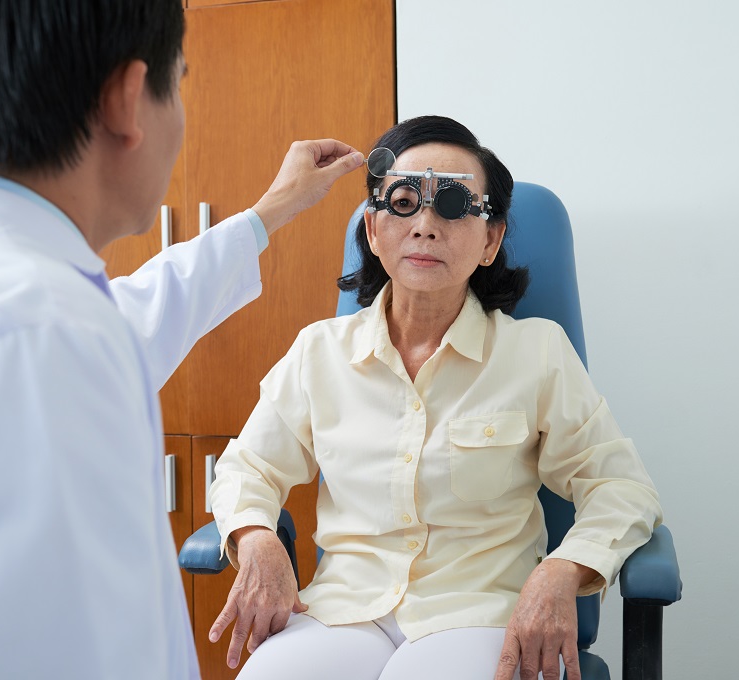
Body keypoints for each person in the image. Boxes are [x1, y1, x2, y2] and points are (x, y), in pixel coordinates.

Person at [0, 1, 364, 678]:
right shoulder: (42, 337)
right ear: (128, 99)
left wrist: (269, 214)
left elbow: (145, 311)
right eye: (177, 83)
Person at [207, 115, 663, 680]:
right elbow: (247, 467)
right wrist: (255, 538)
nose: (424, 224)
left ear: (490, 239)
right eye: (402, 202)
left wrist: (563, 569)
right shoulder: (319, 353)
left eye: (451, 204)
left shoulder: (536, 353)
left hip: (478, 616)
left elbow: (621, 486)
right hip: (343, 614)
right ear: (373, 232)